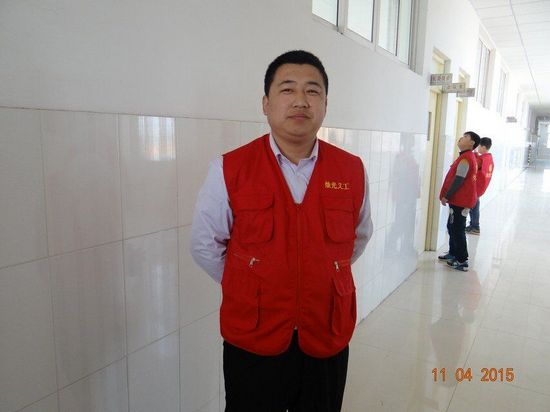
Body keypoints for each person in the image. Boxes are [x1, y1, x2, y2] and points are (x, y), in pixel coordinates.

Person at [190, 50, 373, 412]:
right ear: (266, 103)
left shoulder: (351, 169)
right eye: (288, 89)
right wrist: (250, 283)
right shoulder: (230, 168)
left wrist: (319, 273)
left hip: (325, 333)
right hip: (254, 337)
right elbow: (204, 244)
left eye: (313, 91)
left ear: (325, 104)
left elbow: (359, 237)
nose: (301, 101)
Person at [438, 131, 480, 272]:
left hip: (461, 201)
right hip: (458, 200)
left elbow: (458, 180)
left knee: (458, 229)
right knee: (452, 227)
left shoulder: (466, 158)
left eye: (465, 137)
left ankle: (462, 260)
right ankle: (453, 253)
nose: (461, 138)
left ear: (472, 143)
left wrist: (447, 196)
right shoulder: (464, 156)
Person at [466, 137, 494, 235]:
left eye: (479, 146)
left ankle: (475, 227)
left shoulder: (481, 159)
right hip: (481, 186)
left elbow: (474, 164)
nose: (477, 148)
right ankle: (474, 225)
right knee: (475, 206)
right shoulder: (489, 158)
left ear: (483, 147)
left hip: (476, 187)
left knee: (474, 207)